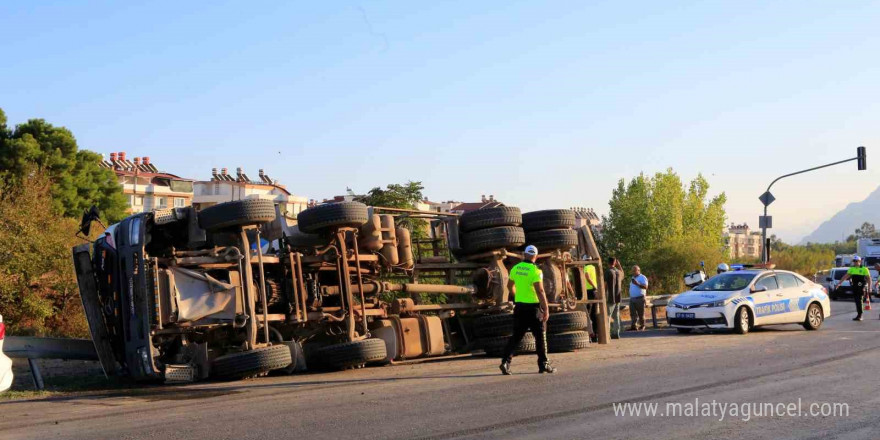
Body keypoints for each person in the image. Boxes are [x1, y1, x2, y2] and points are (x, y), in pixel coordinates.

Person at [500, 245, 556, 375]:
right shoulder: (536, 271)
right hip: (534, 309)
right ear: (535, 256)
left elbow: (509, 286)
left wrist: (517, 296)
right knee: (540, 337)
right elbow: (540, 290)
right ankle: (544, 365)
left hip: (520, 307)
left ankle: (505, 362)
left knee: (516, 337)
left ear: (525, 255)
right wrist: (546, 308)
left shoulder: (515, 268)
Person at [837, 256, 872, 321]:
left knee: (859, 300)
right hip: (855, 287)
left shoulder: (864, 269)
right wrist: (839, 283)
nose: (855, 262)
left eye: (856, 261)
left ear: (860, 261)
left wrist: (870, 288)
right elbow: (845, 276)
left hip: (862, 287)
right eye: (854, 261)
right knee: (856, 300)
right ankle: (859, 314)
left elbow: (869, 279)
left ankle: (860, 315)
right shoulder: (852, 269)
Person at [605, 257, 624, 339]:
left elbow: (605, 284)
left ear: (608, 263)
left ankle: (607, 334)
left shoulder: (608, 272)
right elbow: (623, 273)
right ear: (615, 262)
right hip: (618, 297)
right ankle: (616, 333)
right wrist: (619, 265)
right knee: (616, 316)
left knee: (608, 316)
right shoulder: (619, 272)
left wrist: (600, 293)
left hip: (610, 297)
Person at [629, 265, 648, 331]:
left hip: (640, 298)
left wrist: (637, 284)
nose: (633, 272)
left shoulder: (642, 277)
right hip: (632, 298)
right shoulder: (632, 277)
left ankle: (642, 326)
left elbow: (645, 287)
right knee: (633, 313)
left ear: (638, 270)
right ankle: (634, 326)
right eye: (632, 271)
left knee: (641, 313)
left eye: (635, 270)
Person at [584, 263, 600, 340]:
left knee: (588, 314)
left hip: (588, 291)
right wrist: (596, 288)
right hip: (594, 291)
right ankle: (595, 335)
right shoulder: (594, 267)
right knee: (594, 313)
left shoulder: (586, 267)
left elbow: (587, 277)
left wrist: (593, 286)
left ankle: (590, 335)